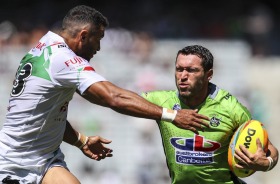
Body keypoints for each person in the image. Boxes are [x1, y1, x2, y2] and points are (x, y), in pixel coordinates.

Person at [0, 5, 210, 184]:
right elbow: (113, 97)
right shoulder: (62, 59)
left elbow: (46, 114)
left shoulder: (43, 47)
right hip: (15, 162)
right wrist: (172, 115)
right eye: (98, 39)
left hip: (44, 159)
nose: (99, 47)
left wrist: (81, 141)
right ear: (83, 36)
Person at [141, 45, 279, 184]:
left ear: (209, 74)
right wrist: (169, 115)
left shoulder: (230, 107)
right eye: (179, 69)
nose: (183, 76)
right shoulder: (164, 101)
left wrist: (266, 163)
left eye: (191, 70)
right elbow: (120, 99)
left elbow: (271, 150)